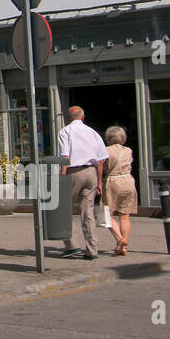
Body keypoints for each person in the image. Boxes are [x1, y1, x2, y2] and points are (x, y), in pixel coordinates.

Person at [56, 106, 108, 259]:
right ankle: (92, 249)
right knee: (88, 211)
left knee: (65, 209)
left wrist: (62, 178)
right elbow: (100, 160)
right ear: (83, 116)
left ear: (68, 117)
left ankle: (71, 245)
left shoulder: (65, 131)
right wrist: (99, 182)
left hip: (74, 172)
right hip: (90, 172)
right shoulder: (93, 133)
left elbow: (65, 156)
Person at [103, 126, 137, 256]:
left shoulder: (105, 151)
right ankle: (124, 246)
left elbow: (100, 166)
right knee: (125, 216)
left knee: (107, 214)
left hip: (113, 182)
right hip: (128, 181)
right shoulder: (128, 150)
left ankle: (120, 239)